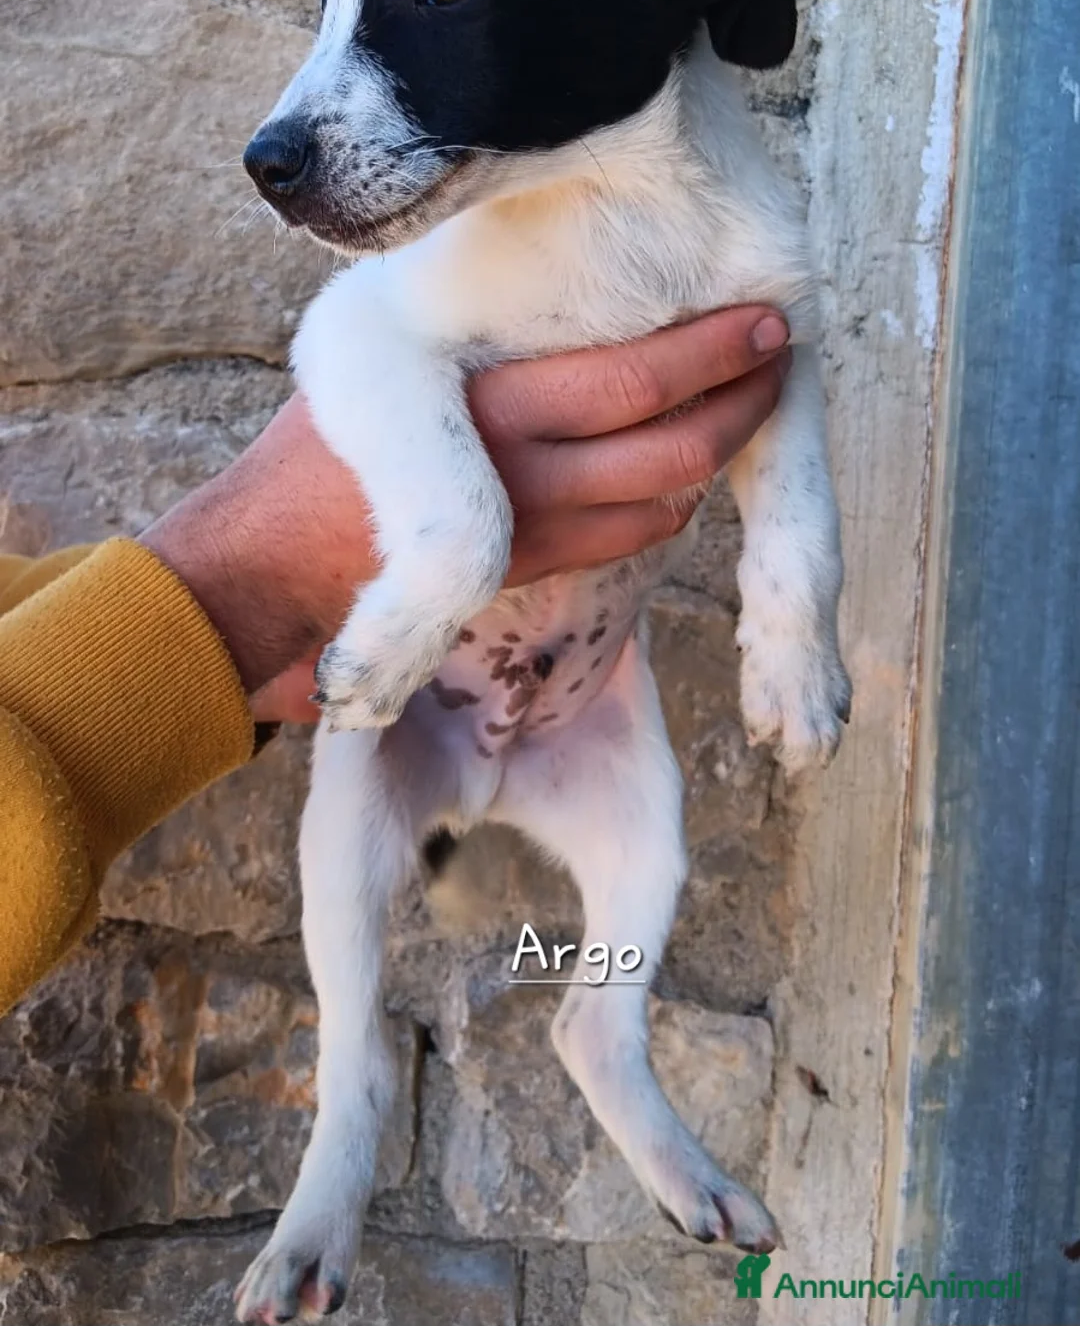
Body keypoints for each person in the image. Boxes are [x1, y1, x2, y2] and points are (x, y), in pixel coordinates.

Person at [0, 306, 790, 1014]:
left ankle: (604, 1026)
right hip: (416, 705)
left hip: (561, 687)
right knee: (351, 990)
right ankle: (353, 1105)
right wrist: (229, 592)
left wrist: (177, 636)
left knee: (632, 919)